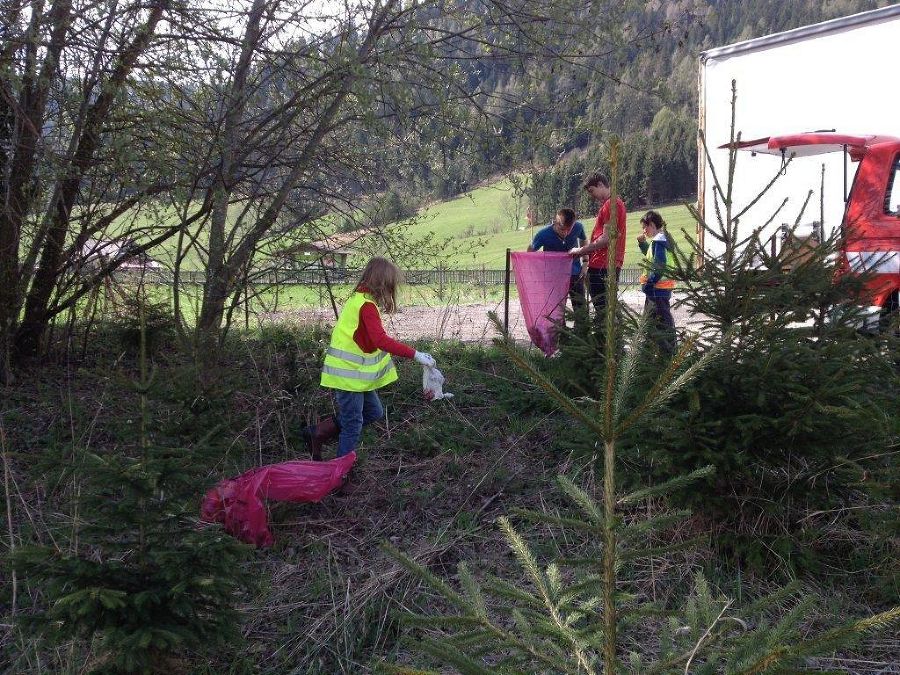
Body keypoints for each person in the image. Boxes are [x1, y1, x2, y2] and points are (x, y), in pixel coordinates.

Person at [302, 257, 436, 469]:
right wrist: (415, 354)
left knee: (374, 413)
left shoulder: (360, 300)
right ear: (383, 283)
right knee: (353, 425)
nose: (391, 290)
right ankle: (340, 476)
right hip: (348, 377)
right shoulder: (366, 306)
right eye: (391, 285)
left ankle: (318, 433)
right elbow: (380, 340)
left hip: (355, 376)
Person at [568, 172, 627, 323]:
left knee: (604, 311)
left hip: (603, 264)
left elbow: (606, 239)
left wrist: (580, 251)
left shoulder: (611, 204)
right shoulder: (611, 205)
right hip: (605, 263)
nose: (592, 196)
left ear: (601, 184)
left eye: (592, 191)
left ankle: (609, 344)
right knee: (607, 309)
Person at [527, 207, 588, 331]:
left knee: (581, 307)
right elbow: (530, 252)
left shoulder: (578, 227)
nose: (565, 233)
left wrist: (586, 262)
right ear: (555, 221)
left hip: (575, 274)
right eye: (562, 229)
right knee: (558, 309)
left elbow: (584, 241)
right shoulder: (543, 234)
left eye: (568, 230)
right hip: (553, 277)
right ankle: (562, 338)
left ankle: (582, 336)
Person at [638, 210, 677, 355]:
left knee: (659, 321)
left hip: (657, 289)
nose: (644, 231)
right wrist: (642, 244)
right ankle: (655, 351)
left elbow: (659, 265)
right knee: (657, 320)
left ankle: (668, 351)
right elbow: (653, 256)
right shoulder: (662, 240)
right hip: (660, 289)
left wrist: (649, 284)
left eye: (645, 227)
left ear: (653, 225)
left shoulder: (659, 242)